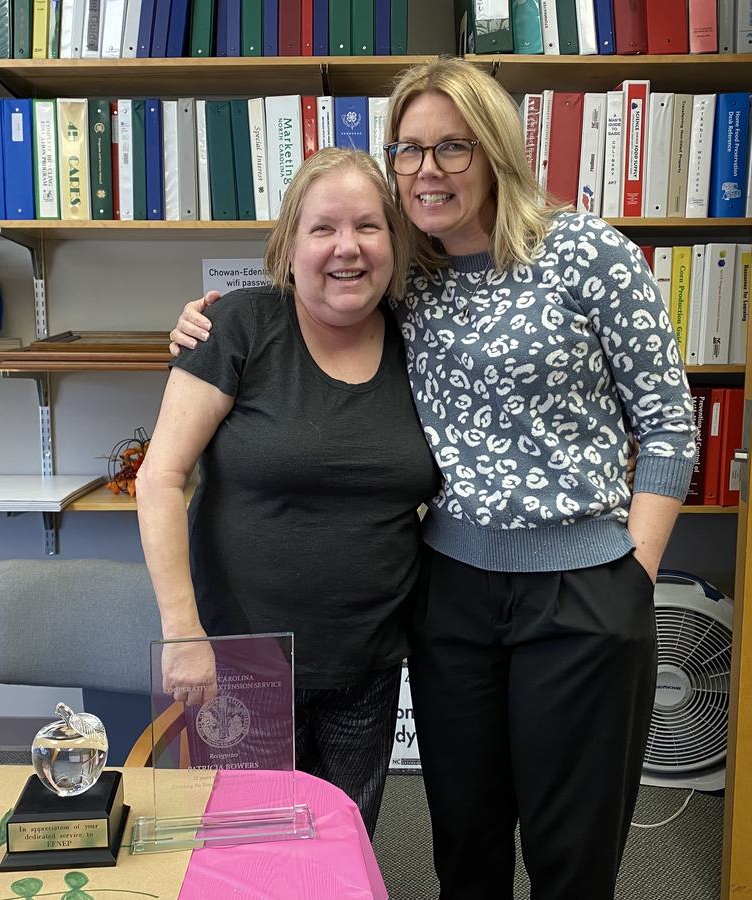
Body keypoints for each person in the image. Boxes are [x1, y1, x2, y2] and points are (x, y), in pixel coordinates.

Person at [168, 59, 696, 900]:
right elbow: (310, 300)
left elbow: (667, 423)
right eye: (407, 150)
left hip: (584, 592)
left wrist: (634, 570)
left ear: (493, 150)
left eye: (452, 146)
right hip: (449, 592)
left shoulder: (585, 251)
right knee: (464, 838)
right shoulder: (407, 272)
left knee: (570, 849)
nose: (427, 169)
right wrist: (204, 321)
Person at [136, 146, 441, 838]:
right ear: (289, 245)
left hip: (368, 660)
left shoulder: (419, 343)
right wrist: (183, 634)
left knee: (342, 841)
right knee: (248, 848)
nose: (347, 247)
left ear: (393, 242)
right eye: (322, 227)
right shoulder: (237, 327)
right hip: (242, 664)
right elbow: (159, 477)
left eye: (368, 226)